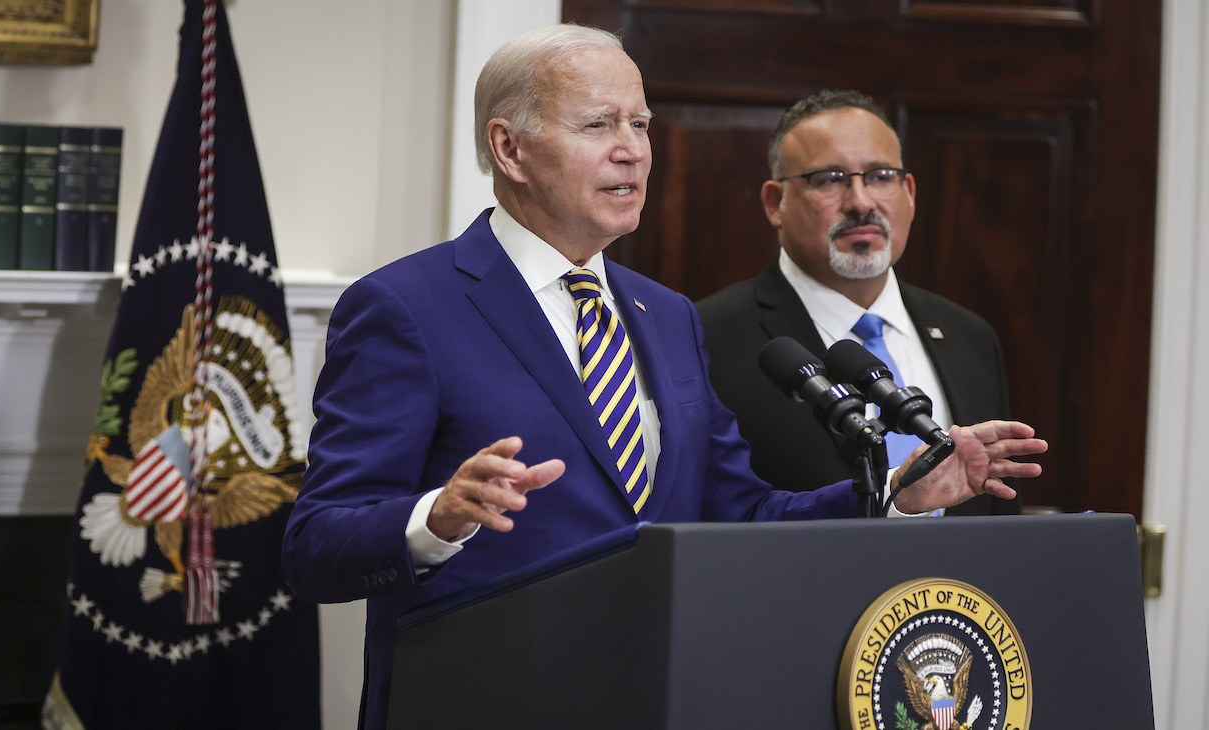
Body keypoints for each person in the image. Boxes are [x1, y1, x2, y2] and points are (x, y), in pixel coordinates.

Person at [281, 30, 1046, 730]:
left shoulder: (665, 315)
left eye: (641, 125)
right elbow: (315, 543)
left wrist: (889, 491)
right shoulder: (405, 308)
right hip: (481, 701)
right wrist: (435, 518)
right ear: (509, 149)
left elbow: (739, 513)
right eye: (598, 126)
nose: (634, 152)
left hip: (654, 699)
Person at [697, 89, 1020, 516]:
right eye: (829, 179)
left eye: (880, 176)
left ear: (909, 192)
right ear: (776, 203)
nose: (861, 202)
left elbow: (996, 508)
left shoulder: (969, 335)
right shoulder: (707, 337)